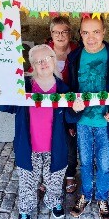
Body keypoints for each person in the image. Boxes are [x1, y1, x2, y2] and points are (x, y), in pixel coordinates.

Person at [0, 44, 69, 219]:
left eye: (46, 59)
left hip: (55, 146)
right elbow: (6, 107)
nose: (43, 63)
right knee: (27, 180)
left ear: (54, 60)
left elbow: (71, 117)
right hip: (29, 147)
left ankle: (54, 202)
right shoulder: (25, 87)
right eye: (38, 61)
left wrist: (75, 108)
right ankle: (26, 209)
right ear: (32, 66)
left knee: (55, 178)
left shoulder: (63, 89)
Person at [67, 17, 109, 219]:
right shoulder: (75, 57)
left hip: (104, 122)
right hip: (83, 121)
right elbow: (70, 89)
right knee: (86, 161)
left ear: (104, 31)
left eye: (96, 32)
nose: (91, 38)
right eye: (85, 33)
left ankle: (101, 197)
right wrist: (71, 117)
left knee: (104, 163)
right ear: (80, 34)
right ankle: (85, 194)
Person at [48, 16, 79, 194]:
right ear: (51, 33)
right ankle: (52, 173)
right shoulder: (44, 51)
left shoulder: (78, 51)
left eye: (64, 31)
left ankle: (70, 174)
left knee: (70, 140)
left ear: (70, 33)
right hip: (50, 106)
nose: (60, 35)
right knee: (51, 140)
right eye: (56, 32)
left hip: (71, 104)